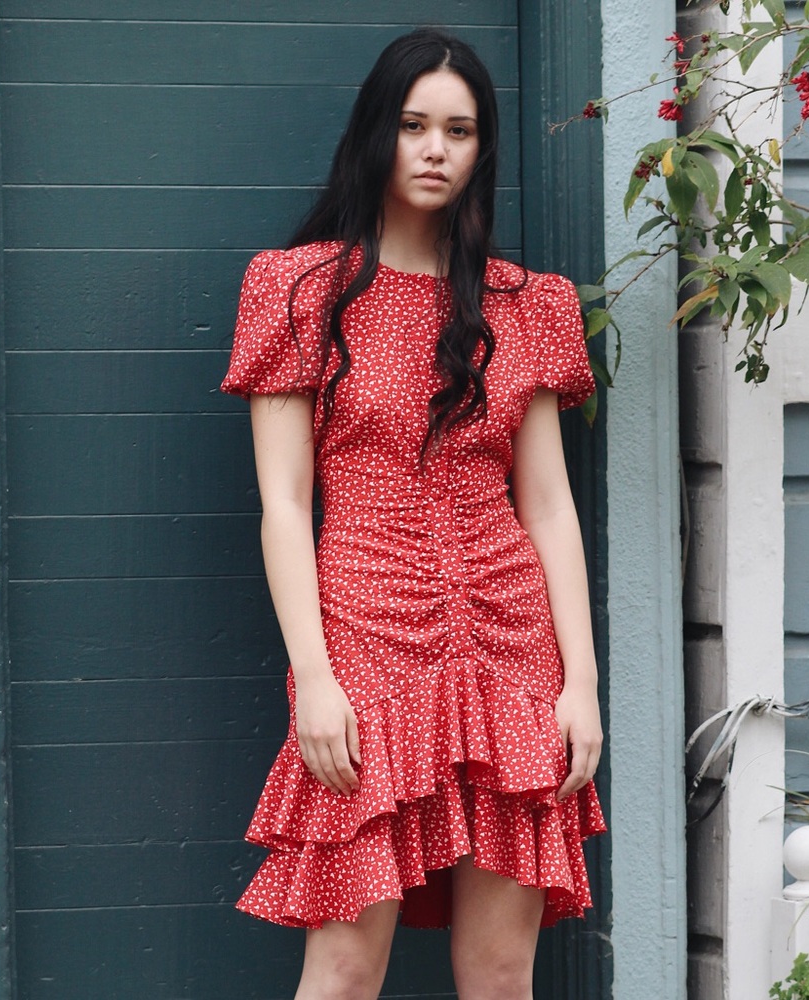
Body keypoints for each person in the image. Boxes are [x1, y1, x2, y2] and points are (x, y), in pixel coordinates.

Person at [221, 27, 605, 1000]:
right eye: (413, 125)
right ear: (375, 136)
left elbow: (550, 506)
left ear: (483, 149)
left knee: (499, 972)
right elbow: (284, 502)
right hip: (366, 642)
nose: (435, 148)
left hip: (512, 649)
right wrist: (312, 672)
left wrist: (581, 686)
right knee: (345, 970)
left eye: (460, 129)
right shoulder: (300, 289)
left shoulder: (527, 304)